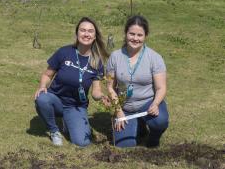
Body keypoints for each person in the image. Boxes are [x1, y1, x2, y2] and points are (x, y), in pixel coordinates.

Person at [34, 17, 110, 147]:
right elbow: (47, 74)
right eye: (83, 30)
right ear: (77, 33)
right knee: (42, 99)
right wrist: (42, 86)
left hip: (76, 106)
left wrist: (101, 96)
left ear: (95, 36)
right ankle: (54, 131)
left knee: (82, 142)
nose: (86, 34)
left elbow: (95, 91)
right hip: (55, 99)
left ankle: (68, 121)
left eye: (90, 31)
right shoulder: (64, 52)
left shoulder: (97, 62)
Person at [106, 15, 169, 148]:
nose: (135, 38)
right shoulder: (115, 57)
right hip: (125, 107)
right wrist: (118, 110)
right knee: (124, 144)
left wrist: (156, 104)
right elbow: (110, 87)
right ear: (126, 33)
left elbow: (161, 88)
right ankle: (139, 125)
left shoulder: (154, 58)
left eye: (139, 35)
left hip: (147, 104)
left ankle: (153, 138)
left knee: (160, 121)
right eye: (132, 34)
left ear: (145, 36)